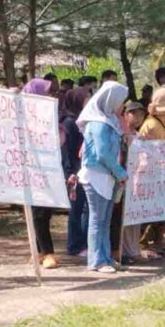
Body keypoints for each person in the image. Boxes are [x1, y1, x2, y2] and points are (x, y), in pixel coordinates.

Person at [76, 81, 128, 274]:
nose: (122, 104)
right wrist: (121, 173)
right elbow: (102, 154)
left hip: (106, 176)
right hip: (96, 176)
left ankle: (105, 257)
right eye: (120, 100)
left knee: (104, 220)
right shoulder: (98, 123)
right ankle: (96, 260)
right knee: (97, 220)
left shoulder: (108, 120)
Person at [21, 79, 64, 269]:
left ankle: (38, 252)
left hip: (47, 169)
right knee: (39, 212)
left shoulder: (46, 116)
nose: (50, 96)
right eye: (46, 92)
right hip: (32, 170)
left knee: (45, 213)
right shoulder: (23, 117)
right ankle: (47, 253)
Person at [136, 88, 165, 257]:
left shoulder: (163, 122)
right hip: (149, 172)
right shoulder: (152, 124)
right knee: (149, 209)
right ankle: (143, 243)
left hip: (160, 171)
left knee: (160, 208)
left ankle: (157, 241)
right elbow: (155, 148)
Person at [61, 87, 91, 257]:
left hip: (84, 171)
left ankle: (85, 242)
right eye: (85, 98)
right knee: (75, 209)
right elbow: (66, 150)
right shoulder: (69, 123)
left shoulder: (83, 120)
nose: (88, 100)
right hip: (74, 173)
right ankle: (74, 245)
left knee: (86, 208)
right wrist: (70, 172)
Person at [120, 101, 149, 263]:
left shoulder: (138, 136)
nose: (138, 118)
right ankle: (124, 250)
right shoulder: (121, 135)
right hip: (126, 180)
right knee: (125, 218)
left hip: (139, 181)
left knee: (135, 218)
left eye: (141, 114)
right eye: (134, 113)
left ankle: (133, 249)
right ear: (126, 115)